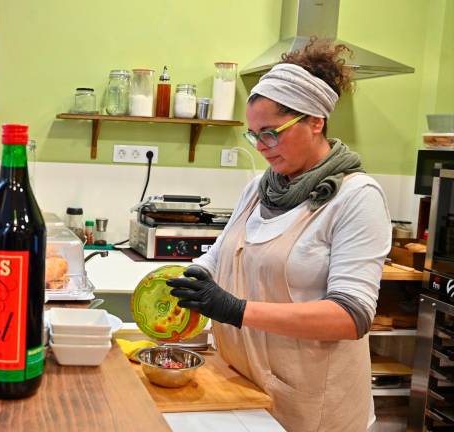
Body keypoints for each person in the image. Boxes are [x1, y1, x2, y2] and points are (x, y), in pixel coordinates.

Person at [166, 40, 391, 431]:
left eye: (271, 133)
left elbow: (351, 315)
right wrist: (190, 279)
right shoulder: (258, 188)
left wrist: (236, 310)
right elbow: (221, 257)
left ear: (315, 121)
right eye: (254, 135)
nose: (263, 148)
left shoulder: (357, 197)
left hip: (312, 407)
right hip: (244, 386)